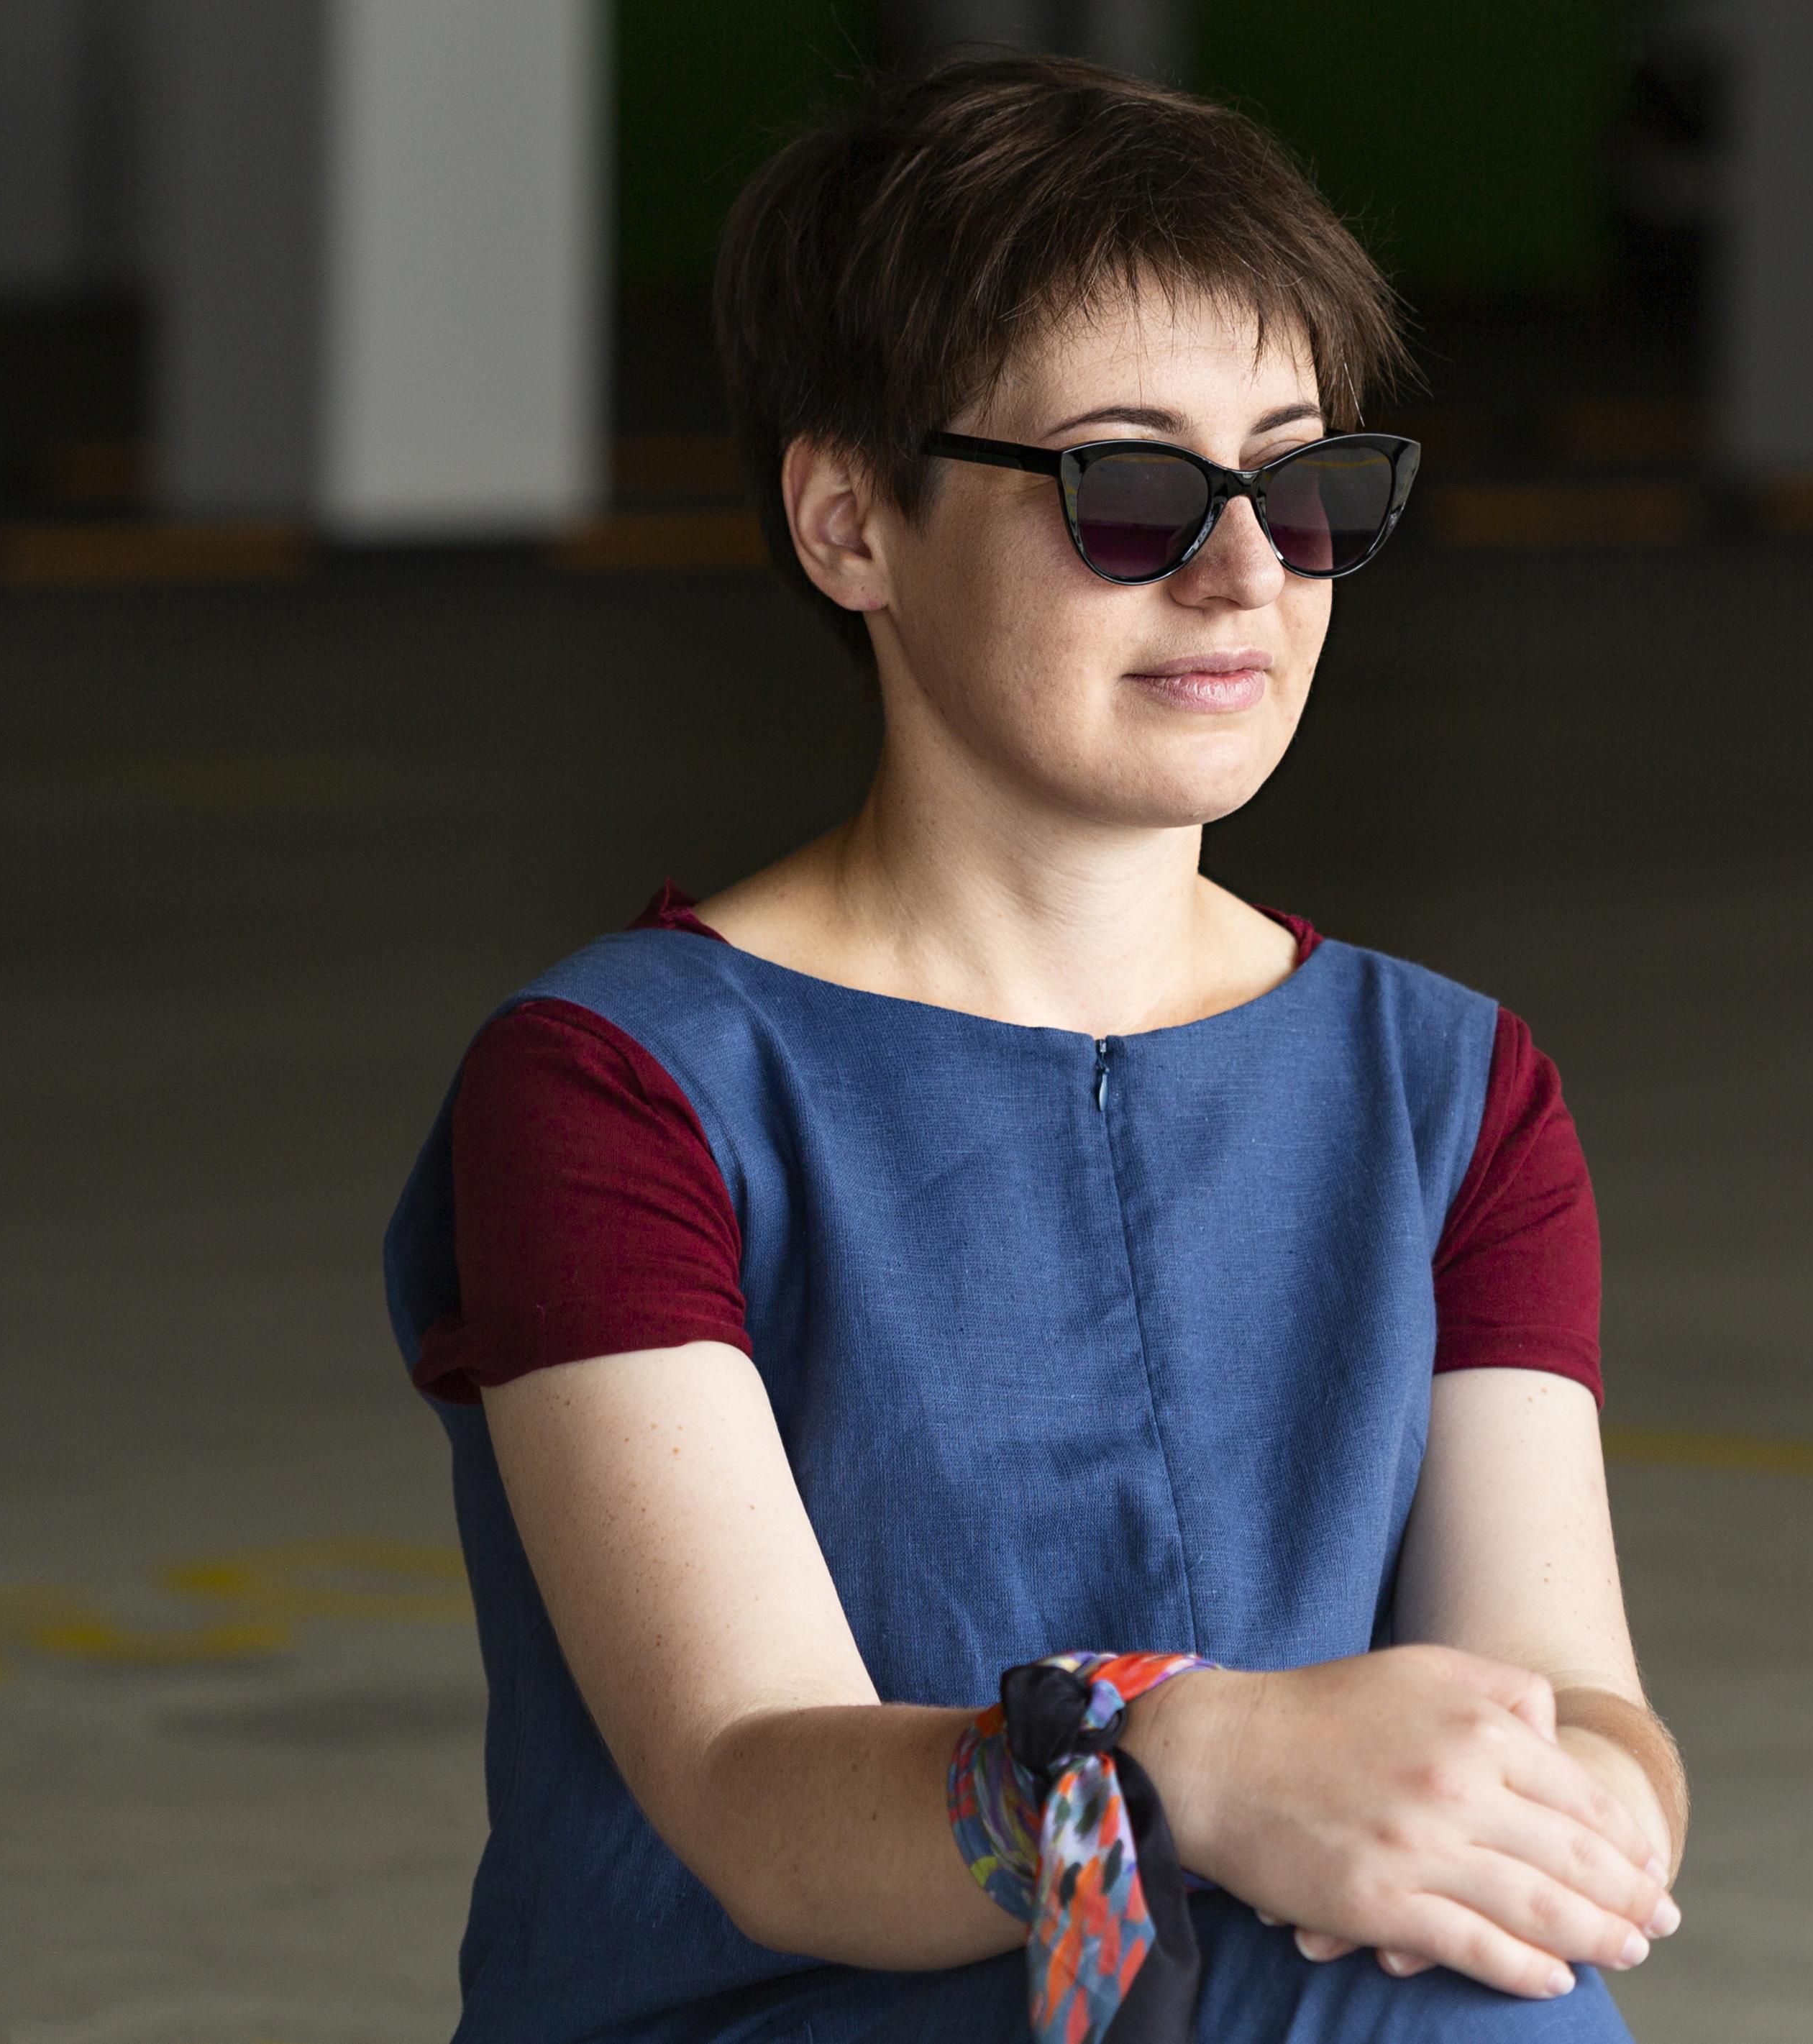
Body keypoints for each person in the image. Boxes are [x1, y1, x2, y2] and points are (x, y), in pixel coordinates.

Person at [382, 56, 1683, 2044]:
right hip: (797, 2016)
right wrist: (1178, 1760)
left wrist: (1553, 1816)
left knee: (1474, 1995)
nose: (1247, 573)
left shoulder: (1452, 1086)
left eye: (1304, 487)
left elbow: (1578, 1692)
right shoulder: (618, 1085)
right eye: (1131, 493)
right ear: (850, 522)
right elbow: (753, 1789)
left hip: (1292, 1989)